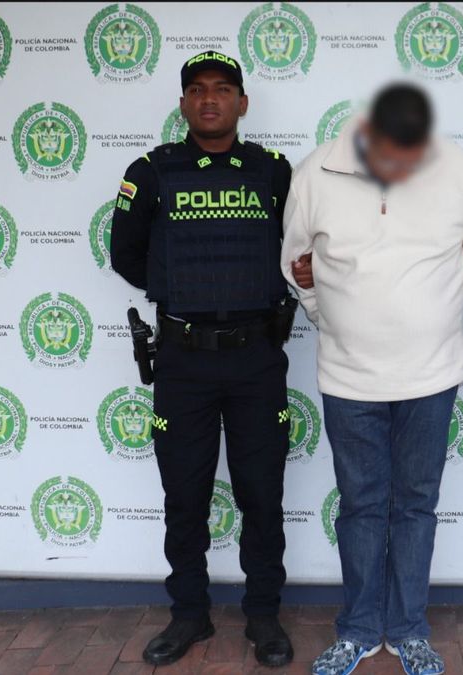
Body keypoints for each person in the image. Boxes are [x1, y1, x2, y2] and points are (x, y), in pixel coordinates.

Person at [281, 83, 463, 675]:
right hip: (347, 377)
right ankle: (357, 630)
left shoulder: (457, 168)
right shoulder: (316, 172)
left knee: (417, 505)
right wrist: (329, 315)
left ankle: (408, 631)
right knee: (361, 506)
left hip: (432, 374)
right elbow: (296, 264)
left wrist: (433, 309)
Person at [110, 50, 295, 668]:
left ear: (242, 103)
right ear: (183, 103)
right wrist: (183, 288)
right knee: (185, 495)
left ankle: (263, 613)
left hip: (256, 359)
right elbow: (126, 255)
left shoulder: (273, 172)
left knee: (261, 494)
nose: (208, 98)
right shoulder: (152, 171)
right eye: (196, 89)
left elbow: (299, 247)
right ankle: (189, 613)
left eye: (221, 89)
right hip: (183, 361)